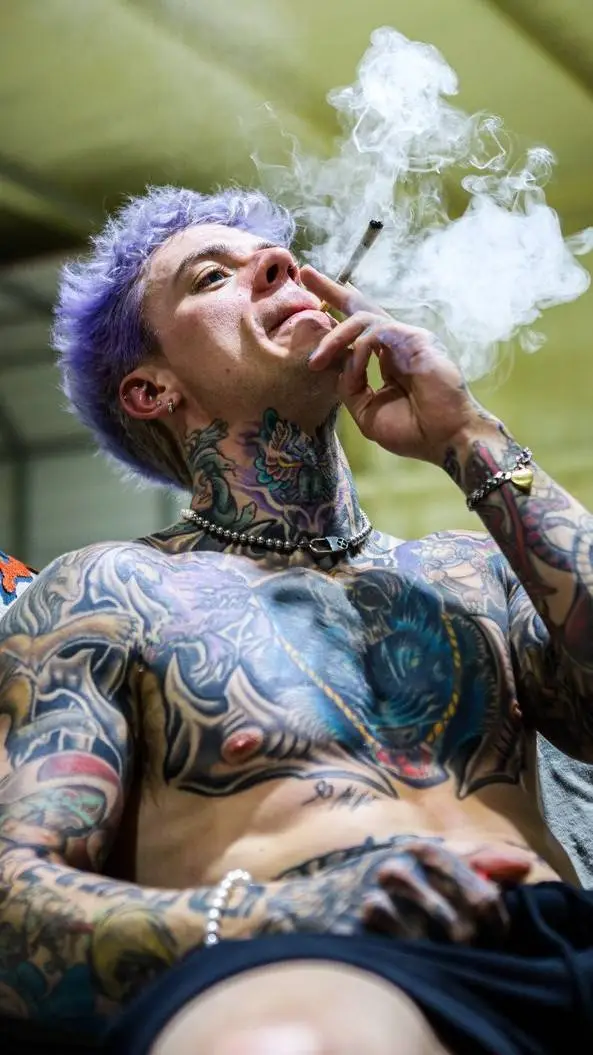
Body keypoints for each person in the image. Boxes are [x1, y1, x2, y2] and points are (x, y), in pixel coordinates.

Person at [1, 184, 592, 1055]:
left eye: (275, 257)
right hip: (308, 956)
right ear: (151, 389)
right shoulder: (110, 589)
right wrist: (278, 912)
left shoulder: (468, 571)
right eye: (212, 276)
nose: (281, 265)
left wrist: (465, 433)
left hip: (561, 939)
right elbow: (14, 901)